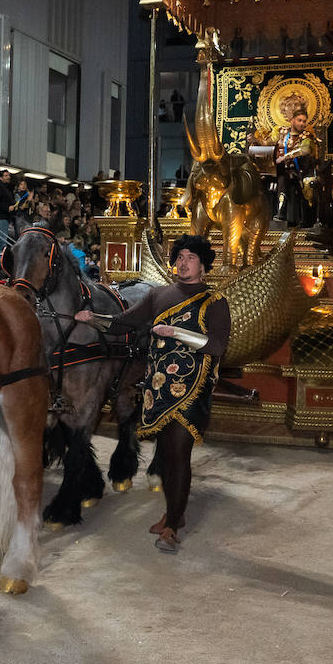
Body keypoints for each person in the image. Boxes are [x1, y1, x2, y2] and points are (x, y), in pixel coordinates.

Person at [77, 234, 230, 552]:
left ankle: (172, 525)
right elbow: (122, 324)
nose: (183, 262)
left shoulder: (215, 302)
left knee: (178, 454)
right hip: (157, 391)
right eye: (180, 256)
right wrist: (93, 320)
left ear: (203, 265)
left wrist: (175, 332)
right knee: (167, 455)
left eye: (191, 257)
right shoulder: (159, 295)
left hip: (192, 389)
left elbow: (216, 346)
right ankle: (176, 513)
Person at [273, 108, 317, 227]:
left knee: (289, 180)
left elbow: (305, 150)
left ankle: (292, 217)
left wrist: (285, 157)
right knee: (279, 178)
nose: (302, 123)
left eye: (304, 121)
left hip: (301, 171)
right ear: (292, 120)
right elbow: (269, 142)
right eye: (299, 120)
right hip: (282, 170)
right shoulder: (282, 132)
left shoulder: (306, 136)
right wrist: (255, 140)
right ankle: (279, 214)